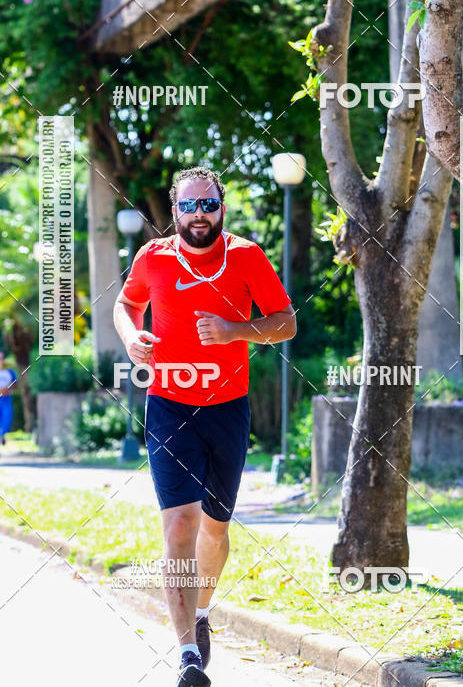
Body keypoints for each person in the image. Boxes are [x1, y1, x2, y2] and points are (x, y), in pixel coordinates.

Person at [114, 166, 296, 687]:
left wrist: (234, 330)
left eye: (208, 205)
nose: (199, 215)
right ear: (174, 213)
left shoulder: (246, 256)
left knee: (215, 529)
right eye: (189, 206)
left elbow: (285, 322)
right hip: (168, 405)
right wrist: (131, 337)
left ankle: (199, 612)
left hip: (227, 408)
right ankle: (188, 655)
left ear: (221, 208)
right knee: (180, 526)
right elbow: (127, 305)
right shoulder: (153, 257)